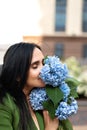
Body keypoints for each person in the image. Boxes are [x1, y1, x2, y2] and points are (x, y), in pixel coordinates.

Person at [0, 42, 59, 130]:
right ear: (18, 75)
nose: (45, 70)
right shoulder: (4, 104)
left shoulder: (44, 97)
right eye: (35, 66)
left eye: (43, 63)